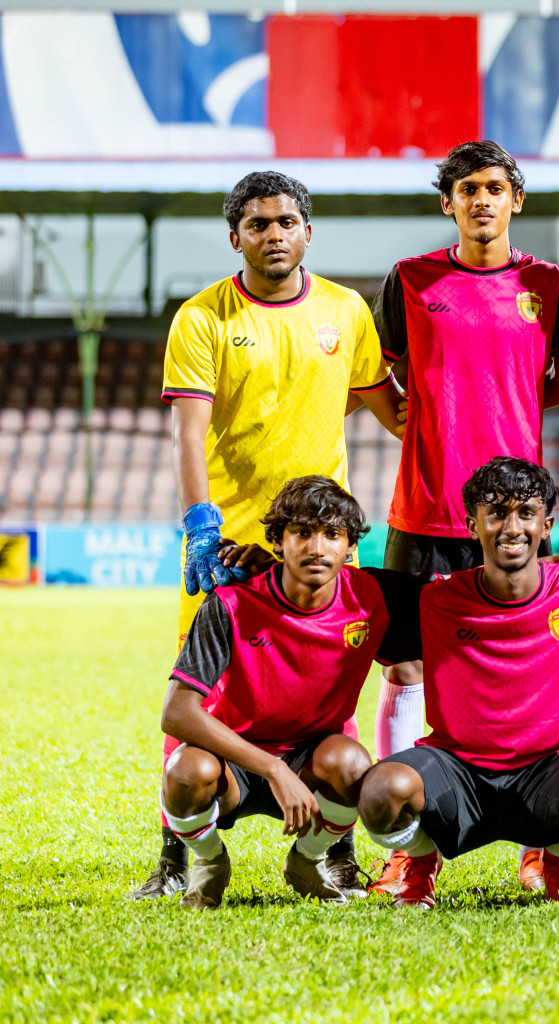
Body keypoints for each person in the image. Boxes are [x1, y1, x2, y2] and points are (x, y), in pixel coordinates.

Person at [132, 171, 403, 901]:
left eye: (287, 222)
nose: (274, 234)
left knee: (328, 682)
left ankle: (331, 851)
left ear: (308, 232)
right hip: (232, 543)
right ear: (237, 238)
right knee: (200, 686)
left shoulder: (347, 313)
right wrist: (201, 526)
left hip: (318, 539)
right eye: (258, 224)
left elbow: (396, 414)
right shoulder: (204, 316)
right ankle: (174, 852)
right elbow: (188, 433)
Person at [366, 140, 559, 896]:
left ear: (516, 200)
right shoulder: (410, 281)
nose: (482, 200)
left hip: (515, 519)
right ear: (449, 204)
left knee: (549, 667)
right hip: (426, 507)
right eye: (467, 189)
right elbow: (390, 379)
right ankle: (411, 851)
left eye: (496, 188)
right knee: (407, 667)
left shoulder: (548, 283)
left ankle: (545, 841)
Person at [358, 458, 559, 908]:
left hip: (548, 770)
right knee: (379, 792)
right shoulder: (434, 596)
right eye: (497, 513)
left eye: (526, 513)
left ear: (547, 525)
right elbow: (325, 576)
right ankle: (420, 862)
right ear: (471, 525)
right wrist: (259, 563)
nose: (511, 527)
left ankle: (557, 859)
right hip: (456, 770)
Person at [157, 477, 419, 908]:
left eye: (332, 535)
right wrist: (272, 770)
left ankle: (307, 860)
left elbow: (470, 595)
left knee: (352, 763)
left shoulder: (373, 595)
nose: (317, 547)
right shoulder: (231, 603)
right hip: (233, 763)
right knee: (184, 771)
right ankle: (208, 862)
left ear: (350, 547)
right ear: (277, 542)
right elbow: (177, 714)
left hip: (310, 764)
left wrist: (550, 568)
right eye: (302, 533)